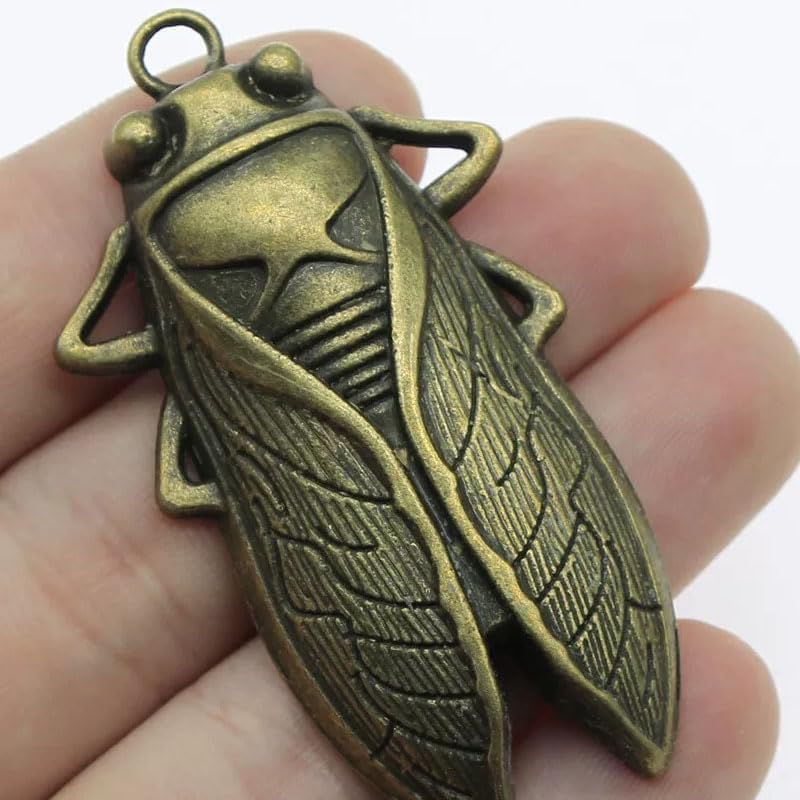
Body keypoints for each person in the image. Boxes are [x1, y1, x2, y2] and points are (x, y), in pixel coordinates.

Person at [0, 31, 797, 800]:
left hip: (305, 466)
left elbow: (83, 346)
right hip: (458, 390)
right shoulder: (343, 137)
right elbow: (481, 158)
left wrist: (136, 267)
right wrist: (373, 130)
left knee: (194, 481)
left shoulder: (154, 232)